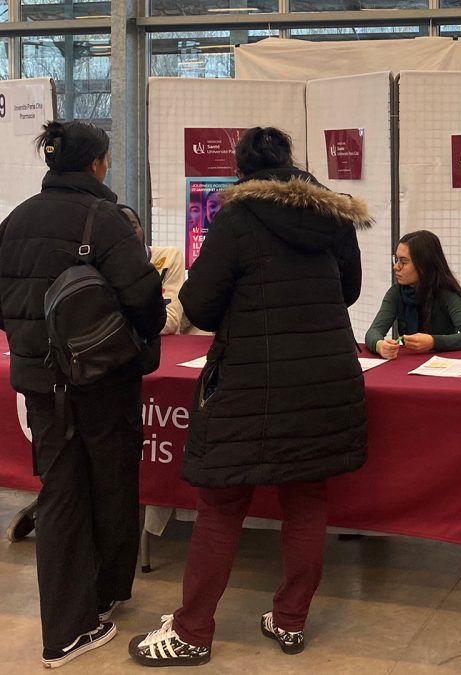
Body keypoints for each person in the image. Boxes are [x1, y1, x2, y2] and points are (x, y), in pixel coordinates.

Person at [128, 126, 371, 667]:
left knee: (220, 502)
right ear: (291, 164)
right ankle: (290, 620)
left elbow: (203, 306)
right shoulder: (333, 214)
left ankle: (191, 632)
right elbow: (348, 290)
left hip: (249, 380)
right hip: (325, 377)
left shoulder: (235, 218)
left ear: (241, 172)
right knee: (306, 499)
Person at [0, 121, 166, 668]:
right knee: (108, 486)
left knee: (60, 493)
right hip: (101, 381)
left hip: (38, 383)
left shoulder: (16, 219)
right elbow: (145, 298)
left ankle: (76, 620)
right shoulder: (105, 220)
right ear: (98, 163)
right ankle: (83, 616)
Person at [365, 229, 461, 359]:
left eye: (403, 262)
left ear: (424, 265)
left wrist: (433, 342)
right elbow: (373, 332)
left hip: (443, 364)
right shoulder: (396, 293)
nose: (396, 267)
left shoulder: (446, 294)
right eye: (396, 260)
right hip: (408, 364)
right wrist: (380, 345)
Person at [119, 205, 185, 335]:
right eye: (121, 229)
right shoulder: (103, 265)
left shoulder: (169, 257)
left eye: (133, 226)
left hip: (167, 347)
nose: (130, 233)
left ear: (142, 229)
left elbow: (170, 320)